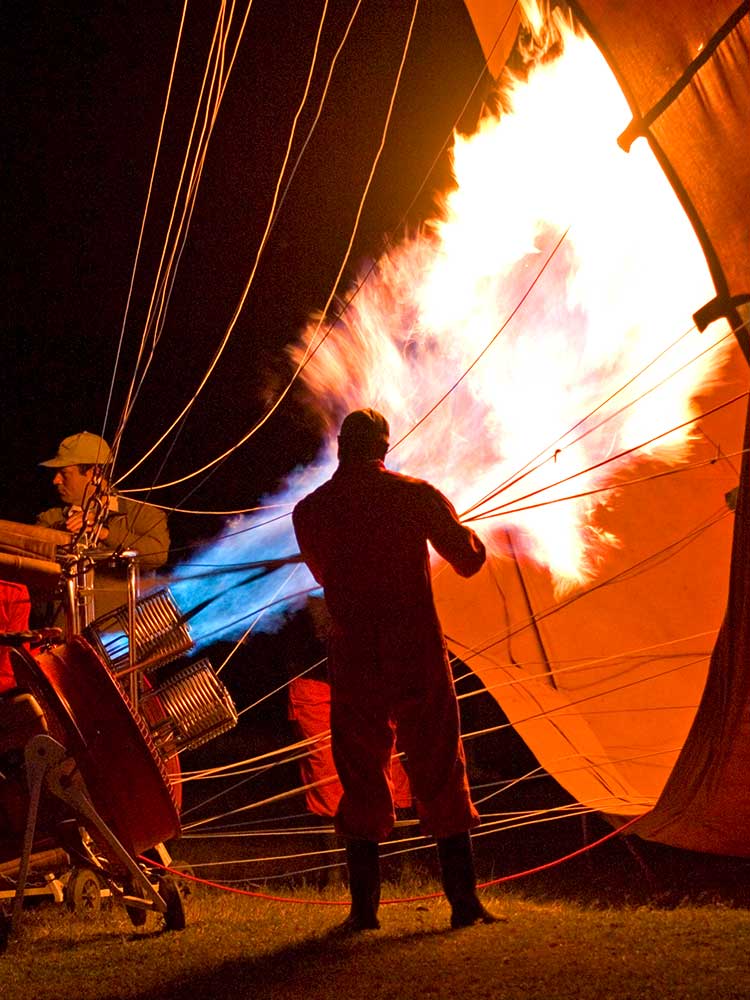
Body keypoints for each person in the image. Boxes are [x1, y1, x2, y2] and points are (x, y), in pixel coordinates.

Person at [292, 408, 494, 931]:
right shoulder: (415, 494)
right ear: (385, 447)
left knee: (360, 773)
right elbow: (468, 559)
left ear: (341, 447)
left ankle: (364, 912)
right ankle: (464, 904)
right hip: (415, 649)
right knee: (440, 766)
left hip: (355, 652)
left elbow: (323, 571)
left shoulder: (311, 510)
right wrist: (474, 538)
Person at [36, 431, 170, 622]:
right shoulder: (51, 519)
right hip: (61, 640)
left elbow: (157, 555)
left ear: (94, 474)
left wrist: (103, 532)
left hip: (117, 640)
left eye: (64, 473)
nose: (55, 480)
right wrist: (63, 533)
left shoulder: (144, 515)